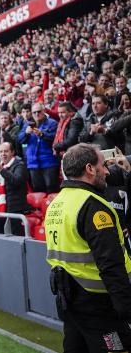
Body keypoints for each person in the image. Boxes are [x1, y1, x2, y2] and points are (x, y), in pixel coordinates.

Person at [46, 143, 131, 352]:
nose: (107, 171)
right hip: (100, 307)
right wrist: (127, 309)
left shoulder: (57, 203)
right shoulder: (93, 206)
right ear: (89, 169)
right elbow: (111, 264)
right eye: (102, 165)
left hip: (70, 303)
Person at [18, 102, 60, 193]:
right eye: (34, 112)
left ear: (44, 111)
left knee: (51, 189)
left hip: (49, 162)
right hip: (33, 163)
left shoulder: (52, 123)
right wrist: (26, 133)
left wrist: (42, 134)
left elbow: (55, 139)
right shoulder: (27, 124)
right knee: (37, 190)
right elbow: (20, 140)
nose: (37, 114)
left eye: (39, 111)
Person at [0, 142, 29, 235]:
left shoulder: (20, 165)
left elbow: (16, 181)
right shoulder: (0, 166)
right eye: (1, 152)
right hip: (0, 207)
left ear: (12, 152)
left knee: (16, 235)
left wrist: (1, 169)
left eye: (6, 151)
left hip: (15, 208)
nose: (3, 154)